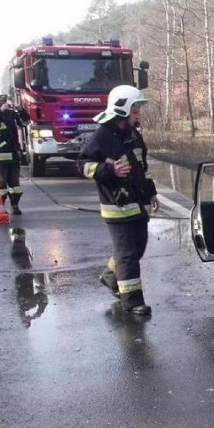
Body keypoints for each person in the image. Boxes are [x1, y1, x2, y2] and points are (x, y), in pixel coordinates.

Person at [77, 85, 159, 316]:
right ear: (121, 109)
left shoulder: (134, 134)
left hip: (139, 203)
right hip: (117, 207)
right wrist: (109, 170)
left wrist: (151, 192)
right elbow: (82, 165)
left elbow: (144, 168)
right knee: (127, 255)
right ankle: (132, 301)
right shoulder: (102, 135)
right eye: (135, 110)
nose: (138, 114)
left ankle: (110, 277)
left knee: (137, 249)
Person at [0, 94, 28, 213]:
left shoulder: (10, 114)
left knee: (15, 184)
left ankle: (15, 205)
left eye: (5, 100)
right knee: (1, 182)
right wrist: (0, 111)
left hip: (13, 154)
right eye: (1, 101)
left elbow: (25, 122)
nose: (4, 103)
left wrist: (21, 111)